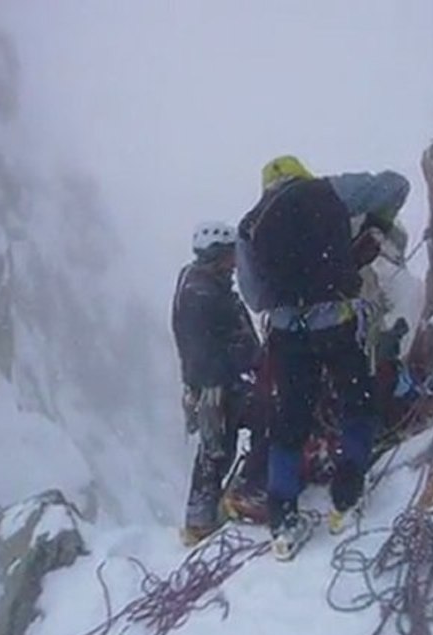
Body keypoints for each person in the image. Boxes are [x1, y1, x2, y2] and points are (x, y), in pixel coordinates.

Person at [238, 155, 410, 559]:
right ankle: (347, 489)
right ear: (301, 174)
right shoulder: (328, 191)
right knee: (357, 398)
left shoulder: (249, 227)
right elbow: (396, 185)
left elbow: (253, 296)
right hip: (336, 319)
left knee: (291, 417)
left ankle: (282, 516)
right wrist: (373, 231)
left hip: (286, 333)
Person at [172, 221, 268, 545]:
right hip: (219, 385)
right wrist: (248, 364)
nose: (235, 262)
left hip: (211, 384)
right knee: (257, 425)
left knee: (215, 450)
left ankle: (201, 518)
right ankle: (247, 492)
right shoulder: (204, 293)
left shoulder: (199, 285)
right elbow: (215, 345)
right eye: (230, 256)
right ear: (217, 255)